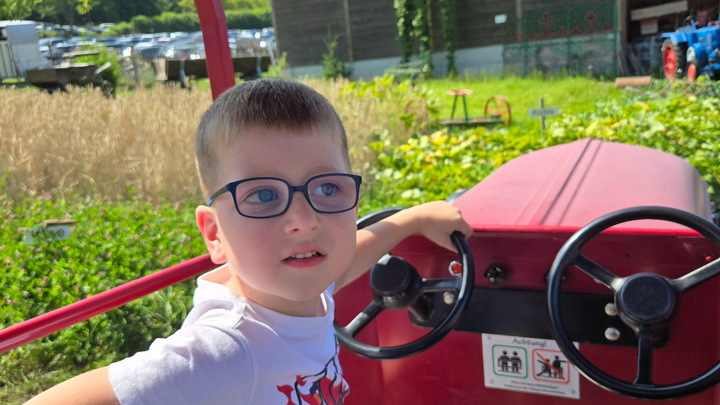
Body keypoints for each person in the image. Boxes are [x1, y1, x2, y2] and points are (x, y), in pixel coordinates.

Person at [25, 79, 472, 405]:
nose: (304, 222)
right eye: (262, 196)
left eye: (327, 188)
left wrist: (412, 219)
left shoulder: (300, 289)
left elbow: (347, 259)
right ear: (214, 233)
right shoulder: (226, 349)